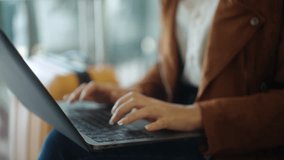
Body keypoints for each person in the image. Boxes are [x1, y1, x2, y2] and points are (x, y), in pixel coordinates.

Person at [39, 0, 284, 159]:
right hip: (176, 112)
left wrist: (195, 115)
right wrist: (130, 93)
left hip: (225, 133)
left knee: (65, 147)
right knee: (73, 133)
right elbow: (173, 66)